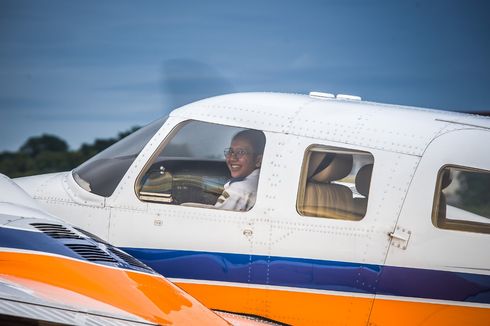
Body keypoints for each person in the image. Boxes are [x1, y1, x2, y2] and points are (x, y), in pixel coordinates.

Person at [214, 129, 266, 211]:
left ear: (258, 160)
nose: (232, 158)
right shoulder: (261, 182)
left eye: (241, 152)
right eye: (230, 151)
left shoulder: (238, 190)